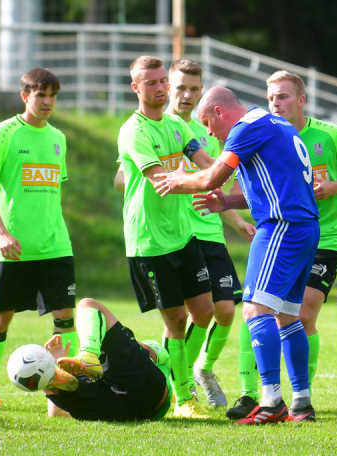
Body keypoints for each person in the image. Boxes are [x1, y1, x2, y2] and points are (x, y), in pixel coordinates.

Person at [154, 86, 320, 424]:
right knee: (288, 316)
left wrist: (178, 180)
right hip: (304, 227)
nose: (210, 133)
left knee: (255, 310)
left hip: (281, 227)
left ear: (219, 112)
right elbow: (276, 185)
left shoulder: (246, 128)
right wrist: (228, 202)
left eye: (208, 123)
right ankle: (302, 403)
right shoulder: (276, 123)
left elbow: (212, 177)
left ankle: (271, 402)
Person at [226, 71, 337, 420]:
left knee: (298, 313)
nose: (275, 103)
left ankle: (295, 397)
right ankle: (256, 395)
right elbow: (246, 186)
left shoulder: (330, 134)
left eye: (283, 96)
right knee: (266, 310)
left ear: (302, 100)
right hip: (286, 234)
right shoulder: (266, 133)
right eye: (271, 97)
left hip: (325, 236)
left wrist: (333, 188)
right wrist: (231, 205)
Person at [114, 59, 255, 408]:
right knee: (176, 320)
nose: (160, 88)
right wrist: (205, 181)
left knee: (206, 310)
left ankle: (175, 365)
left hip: (183, 235)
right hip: (151, 239)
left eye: (162, 81)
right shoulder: (134, 130)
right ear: (136, 88)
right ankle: (182, 397)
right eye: (151, 83)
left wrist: (248, 173)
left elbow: (209, 163)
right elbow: (161, 181)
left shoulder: (178, 125)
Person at [0, 67, 78, 410]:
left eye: (52, 96)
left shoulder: (58, 138)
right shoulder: (4, 133)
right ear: (25, 96)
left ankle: (63, 392)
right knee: (2, 316)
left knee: (65, 316)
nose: (47, 102)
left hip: (55, 245)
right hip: (13, 248)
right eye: (40, 95)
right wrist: (1, 232)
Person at [31, 298, 172, 421]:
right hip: (139, 405)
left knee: (87, 304)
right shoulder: (140, 356)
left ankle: (86, 355)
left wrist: (55, 362)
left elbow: (57, 413)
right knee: (87, 304)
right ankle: (65, 368)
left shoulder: (143, 351)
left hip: (119, 405)